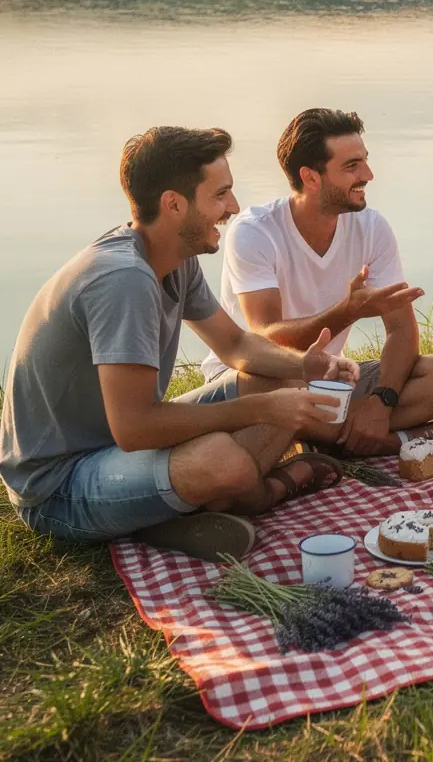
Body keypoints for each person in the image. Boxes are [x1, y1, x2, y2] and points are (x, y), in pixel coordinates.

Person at [0, 126, 361, 562]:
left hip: (115, 452)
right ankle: (259, 494)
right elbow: (134, 429)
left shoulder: (172, 259)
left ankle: (176, 509)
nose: (233, 207)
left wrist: (305, 365)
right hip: (58, 485)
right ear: (174, 204)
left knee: (271, 376)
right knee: (218, 459)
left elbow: (235, 344)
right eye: (221, 195)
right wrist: (264, 410)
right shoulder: (123, 280)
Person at [201, 109, 433, 457]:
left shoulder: (371, 228)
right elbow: (265, 339)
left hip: (331, 382)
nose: (369, 175)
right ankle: (396, 441)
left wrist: (381, 401)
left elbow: (402, 331)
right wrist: (346, 312)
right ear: (311, 177)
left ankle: (330, 438)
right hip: (261, 379)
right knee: (284, 385)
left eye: (365, 161)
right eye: (352, 167)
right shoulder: (255, 231)